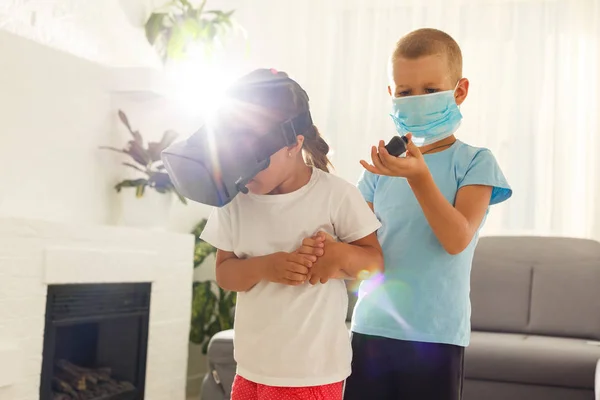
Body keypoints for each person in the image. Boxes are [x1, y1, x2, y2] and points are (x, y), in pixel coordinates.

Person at [343, 28, 513, 400]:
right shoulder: (379, 170)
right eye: (405, 92)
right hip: (371, 328)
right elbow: (358, 249)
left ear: (460, 91)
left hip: (436, 335)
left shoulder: (475, 163)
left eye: (430, 90)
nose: (416, 100)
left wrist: (420, 178)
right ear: (391, 95)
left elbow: (455, 239)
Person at [200, 68, 383, 400]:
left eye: (254, 157)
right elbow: (225, 273)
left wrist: (339, 255)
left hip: (310, 373)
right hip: (251, 368)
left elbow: (375, 263)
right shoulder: (235, 201)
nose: (243, 170)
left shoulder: (335, 195)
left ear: (293, 144)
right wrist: (265, 267)